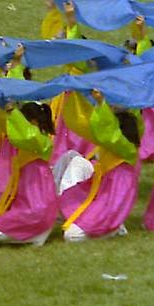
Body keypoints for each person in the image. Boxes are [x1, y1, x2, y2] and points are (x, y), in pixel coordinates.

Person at [57, 90, 141, 242]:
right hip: (100, 183)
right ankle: (110, 225)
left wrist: (102, 103)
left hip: (111, 196)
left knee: (72, 236)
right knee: (72, 159)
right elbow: (84, 123)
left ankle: (114, 228)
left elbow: (109, 133)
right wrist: (78, 94)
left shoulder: (124, 148)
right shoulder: (113, 142)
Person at [0, 102, 58, 247]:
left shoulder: (41, 141)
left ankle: (34, 234)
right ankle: (35, 233)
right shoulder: (33, 144)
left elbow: (28, 135)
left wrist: (13, 111)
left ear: (33, 122)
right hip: (29, 209)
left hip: (36, 212)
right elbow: (6, 125)